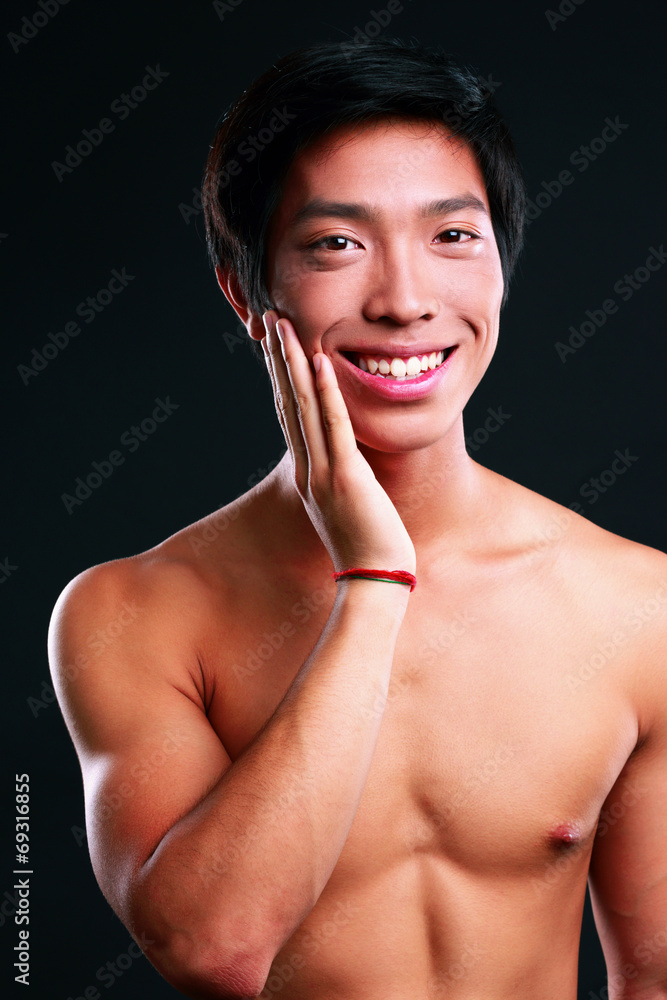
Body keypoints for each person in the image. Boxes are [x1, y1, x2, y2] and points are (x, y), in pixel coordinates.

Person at [48, 37, 667, 1000]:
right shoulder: (132, 613)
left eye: (451, 235)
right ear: (244, 290)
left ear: (501, 264)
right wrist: (373, 581)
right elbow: (212, 951)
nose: (405, 302)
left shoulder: (639, 606)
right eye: (337, 243)